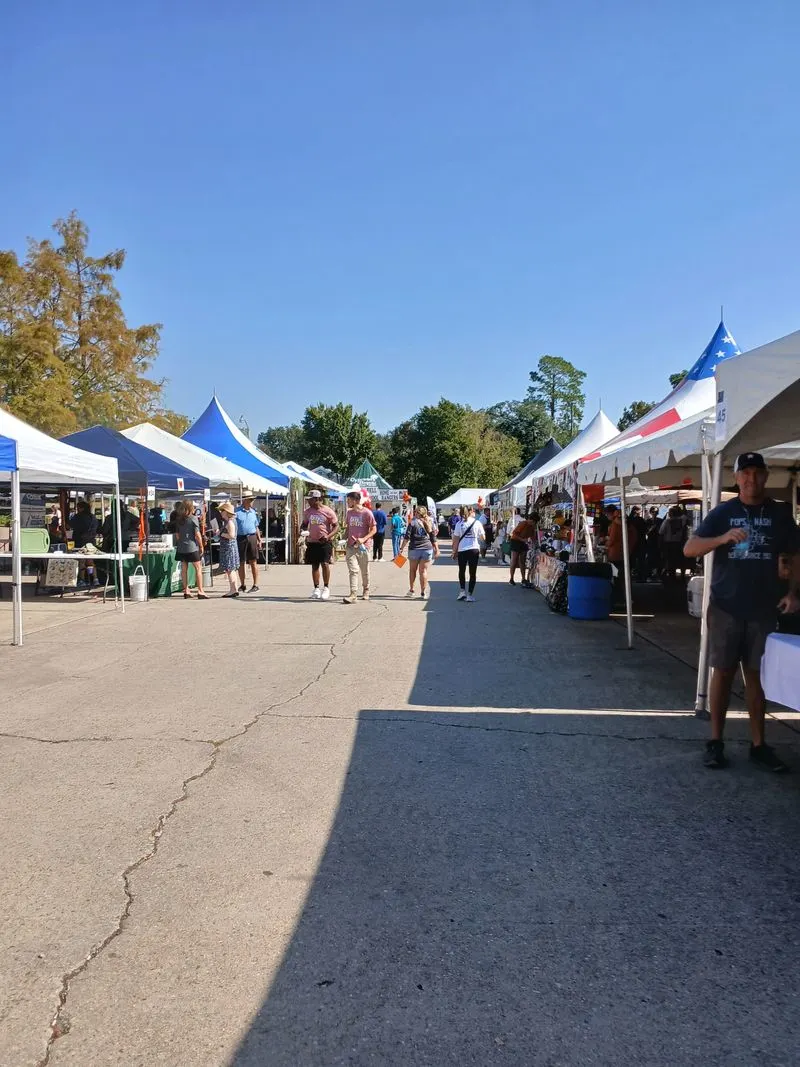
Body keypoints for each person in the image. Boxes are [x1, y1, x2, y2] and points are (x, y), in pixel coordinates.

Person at [684, 452, 800, 771]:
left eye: (757, 473)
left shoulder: (779, 513)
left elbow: (794, 553)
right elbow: (690, 548)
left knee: (756, 677)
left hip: (764, 609)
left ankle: (759, 745)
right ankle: (715, 742)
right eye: (745, 473)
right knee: (722, 672)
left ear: (766, 476)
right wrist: (722, 538)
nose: (751, 479)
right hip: (726, 607)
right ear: (736, 479)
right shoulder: (723, 512)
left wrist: (792, 592)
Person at [301, 490, 338, 600]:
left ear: (317, 499)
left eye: (310, 500)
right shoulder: (308, 512)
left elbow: (336, 526)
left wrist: (328, 536)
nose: (308, 501)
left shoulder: (328, 511)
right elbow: (305, 524)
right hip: (312, 542)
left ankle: (326, 588)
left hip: (324, 542)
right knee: (314, 565)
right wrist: (303, 530)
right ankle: (316, 588)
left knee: (325, 563)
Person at [343, 490, 377, 603]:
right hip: (351, 546)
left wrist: (363, 539)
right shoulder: (349, 513)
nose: (347, 502)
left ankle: (366, 589)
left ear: (355, 500)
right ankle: (353, 594)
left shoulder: (367, 513)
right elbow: (348, 528)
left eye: (349, 500)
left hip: (363, 546)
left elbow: (374, 529)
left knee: (364, 571)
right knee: (353, 570)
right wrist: (343, 538)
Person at [402, 504, 439, 599]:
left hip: (414, 549)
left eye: (415, 512)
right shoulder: (430, 521)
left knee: (412, 570)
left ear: (417, 513)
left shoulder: (413, 522)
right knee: (423, 571)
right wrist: (436, 549)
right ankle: (423, 593)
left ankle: (411, 590)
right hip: (427, 548)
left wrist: (401, 548)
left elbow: (407, 537)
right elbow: (433, 537)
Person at [174, 499, 208, 600]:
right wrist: (201, 546)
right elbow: (197, 534)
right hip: (191, 546)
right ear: (191, 507)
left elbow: (177, 535)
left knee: (184, 569)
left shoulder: (179, 519)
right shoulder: (193, 518)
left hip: (181, 547)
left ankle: (186, 590)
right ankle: (200, 591)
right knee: (198, 568)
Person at [605, 505, 639, 604]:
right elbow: (634, 537)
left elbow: (611, 540)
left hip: (615, 554)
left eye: (607, 515)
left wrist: (606, 543)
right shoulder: (628, 525)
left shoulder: (615, 525)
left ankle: (620, 599)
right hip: (626, 553)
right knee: (625, 578)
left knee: (617, 578)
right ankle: (627, 598)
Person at [453, 505, 485, 602]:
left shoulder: (459, 523)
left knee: (461, 571)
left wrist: (454, 551)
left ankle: (462, 591)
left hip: (462, 549)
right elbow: (483, 537)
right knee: (472, 573)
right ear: (471, 511)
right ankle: (470, 595)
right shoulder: (477, 522)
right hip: (473, 549)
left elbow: (456, 539)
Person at [68, 499, 99, 588]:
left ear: (81, 508)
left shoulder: (78, 517)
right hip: (91, 541)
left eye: (78, 508)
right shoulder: (93, 517)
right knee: (90, 561)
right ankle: (95, 579)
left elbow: (69, 525)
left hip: (80, 541)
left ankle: (82, 580)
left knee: (81, 561)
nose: (77, 509)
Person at [235, 493, 262, 593]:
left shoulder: (253, 512)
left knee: (253, 561)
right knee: (241, 562)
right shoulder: (236, 512)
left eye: (252, 500)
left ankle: (255, 584)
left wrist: (259, 539)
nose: (252, 502)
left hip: (252, 537)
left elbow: (256, 526)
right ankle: (242, 585)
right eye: (250, 500)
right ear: (245, 500)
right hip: (240, 538)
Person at [217, 501, 241, 597]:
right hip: (229, 547)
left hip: (229, 547)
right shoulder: (230, 521)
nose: (221, 512)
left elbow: (232, 535)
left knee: (230, 568)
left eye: (222, 510)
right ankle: (234, 588)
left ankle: (233, 589)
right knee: (231, 569)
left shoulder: (230, 522)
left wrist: (221, 533)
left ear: (226, 512)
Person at [659, 506, 689, 583]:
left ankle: (672, 577)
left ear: (671, 514)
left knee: (670, 561)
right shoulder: (682, 520)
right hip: (679, 543)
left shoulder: (667, 522)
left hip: (669, 544)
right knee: (680, 560)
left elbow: (661, 532)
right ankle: (682, 576)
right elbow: (685, 518)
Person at [509, 514, 537, 586]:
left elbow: (533, 536)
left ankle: (523, 579)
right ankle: (511, 578)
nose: (534, 524)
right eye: (534, 522)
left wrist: (535, 544)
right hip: (515, 541)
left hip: (523, 543)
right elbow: (514, 533)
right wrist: (522, 539)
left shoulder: (532, 527)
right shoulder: (523, 523)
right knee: (514, 560)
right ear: (532, 520)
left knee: (522, 561)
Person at [629, 505, 648, 581]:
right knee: (641, 560)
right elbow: (645, 530)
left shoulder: (630, 520)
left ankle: (631, 575)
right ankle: (641, 576)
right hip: (641, 542)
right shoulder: (640, 520)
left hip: (632, 543)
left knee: (632, 560)